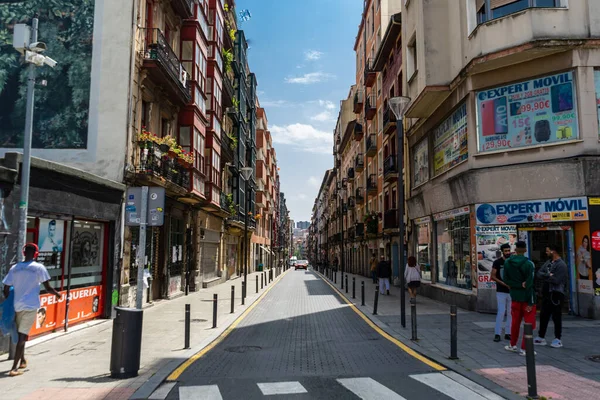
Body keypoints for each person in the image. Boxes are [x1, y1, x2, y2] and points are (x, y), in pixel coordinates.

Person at [2, 243, 61, 376]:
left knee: (20, 334)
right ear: (36, 254)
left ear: (24, 253)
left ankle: (22, 360)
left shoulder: (15, 268)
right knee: (23, 336)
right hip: (30, 306)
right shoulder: (39, 268)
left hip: (17, 306)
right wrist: (57, 294)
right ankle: (14, 368)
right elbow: (48, 287)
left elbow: (5, 288)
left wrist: (10, 299)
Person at [503, 241, 536, 356]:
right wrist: (531, 301)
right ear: (525, 250)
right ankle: (525, 348)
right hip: (527, 298)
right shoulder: (529, 264)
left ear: (515, 250)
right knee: (529, 323)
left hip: (515, 297)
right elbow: (529, 284)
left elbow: (505, 279)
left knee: (515, 322)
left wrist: (515, 285)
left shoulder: (507, 263)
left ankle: (512, 344)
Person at [534, 245, 568, 348]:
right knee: (544, 315)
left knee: (556, 316)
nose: (546, 253)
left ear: (553, 252)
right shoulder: (548, 263)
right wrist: (549, 276)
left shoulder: (561, 265)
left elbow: (557, 280)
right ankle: (541, 337)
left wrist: (546, 276)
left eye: (548, 251)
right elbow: (539, 273)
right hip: (546, 293)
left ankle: (557, 338)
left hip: (556, 294)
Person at [491, 243, 512, 342]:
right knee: (501, 312)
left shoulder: (512, 261)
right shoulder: (497, 262)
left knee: (510, 312)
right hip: (501, 291)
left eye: (509, 250)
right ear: (502, 251)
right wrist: (503, 283)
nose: (508, 252)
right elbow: (493, 276)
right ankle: (497, 333)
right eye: (506, 251)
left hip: (512, 291)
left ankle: (508, 333)